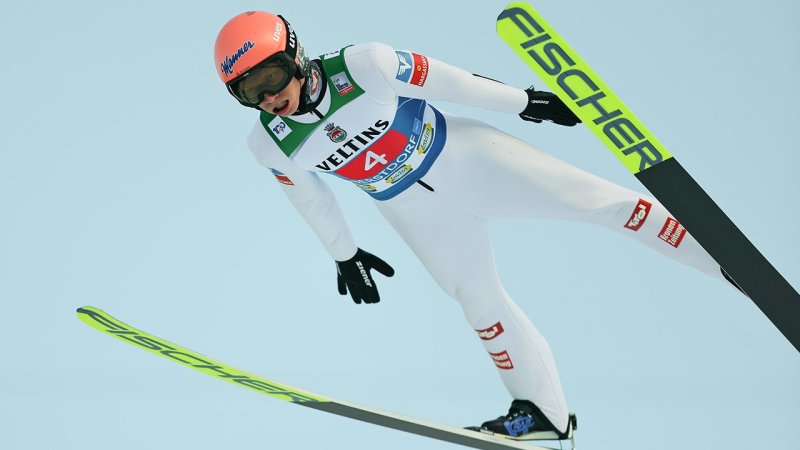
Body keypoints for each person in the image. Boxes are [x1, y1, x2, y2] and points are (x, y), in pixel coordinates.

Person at [213, 11, 738, 440]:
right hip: (412, 211)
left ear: (296, 55)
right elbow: (310, 198)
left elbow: (450, 80)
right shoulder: (270, 142)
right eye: (248, 92)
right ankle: (543, 413)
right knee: (479, 303)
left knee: (601, 203)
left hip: (469, 158)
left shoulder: (363, 64)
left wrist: (524, 102)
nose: (267, 97)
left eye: (271, 77)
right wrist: (344, 253)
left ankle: (725, 262)